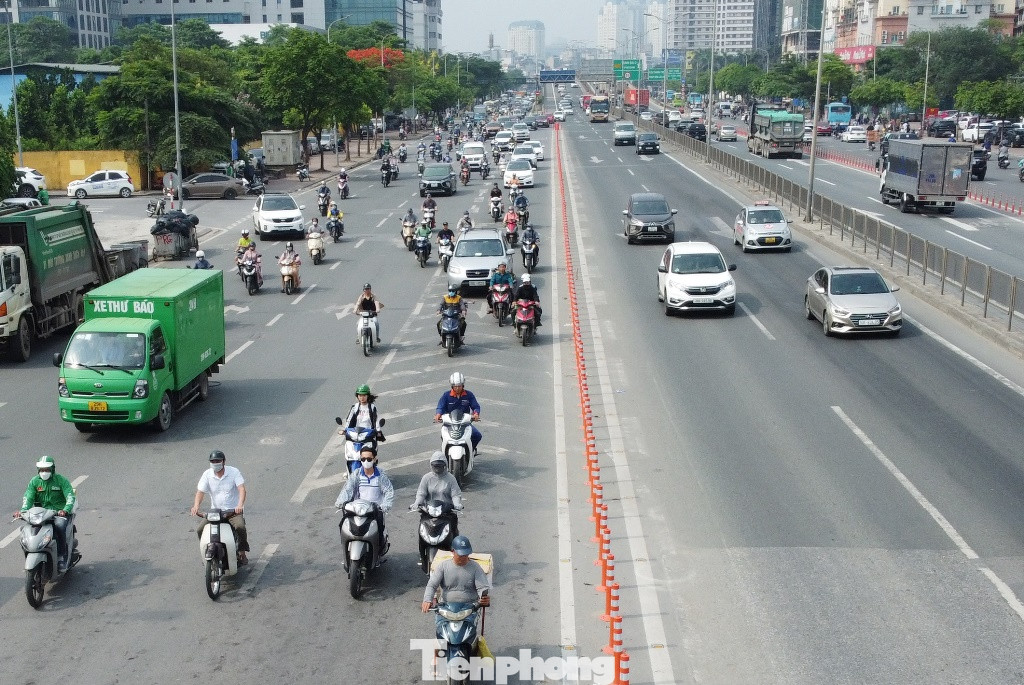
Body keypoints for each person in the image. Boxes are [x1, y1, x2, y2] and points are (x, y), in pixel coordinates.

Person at [15, 456, 77, 570]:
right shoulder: (34, 481)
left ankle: (62, 556)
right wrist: (23, 511)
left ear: (52, 469)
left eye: (47, 470)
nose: (44, 472)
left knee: (59, 526)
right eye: (42, 470)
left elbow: (70, 497)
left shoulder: (61, 480)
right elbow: (28, 498)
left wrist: (65, 510)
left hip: (58, 514)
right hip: (40, 515)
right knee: (25, 530)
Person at [190, 450, 249, 565]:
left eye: (218, 461)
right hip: (215, 512)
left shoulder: (233, 472)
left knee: (240, 527)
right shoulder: (207, 474)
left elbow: (241, 489)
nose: (215, 463)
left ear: (223, 461)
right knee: (200, 529)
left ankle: (242, 552)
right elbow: (200, 492)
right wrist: (196, 506)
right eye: (213, 461)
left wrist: (239, 505)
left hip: (233, 511)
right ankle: (205, 553)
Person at [335, 445, 394, 555]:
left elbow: (389, 492)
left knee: (379, 529)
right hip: (357, 509)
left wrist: (385, 506)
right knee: (342, 524)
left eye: (369, 459)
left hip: (374, 511)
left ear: (375, 459)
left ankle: (379, 550)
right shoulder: (356, 474)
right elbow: (348, 489)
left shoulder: (381, 476)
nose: (366, 461)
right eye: (363, 459)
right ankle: (346, 550)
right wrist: (341, 502)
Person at [421, 535, 490, 612]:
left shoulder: (475, 567)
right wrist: (427, 600)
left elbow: (482, 588)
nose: (464, 557)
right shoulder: (443, 566)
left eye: (466, 554)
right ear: (453, 551)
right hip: (446, 607)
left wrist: (484, 598)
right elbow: (432, 585)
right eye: (461, 555)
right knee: (441, 624)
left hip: (469, 608)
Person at [434, 371, 481, 456]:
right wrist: (438, 414)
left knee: (477, 435)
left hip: (465, 423)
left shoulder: (469, 395)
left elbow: (476, 406)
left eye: (459, 386)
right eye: (455, 386)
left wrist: (476, 414)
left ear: (463, 385)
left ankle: (471, 451)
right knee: (443, 436)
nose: (457, 388)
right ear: (452, 386)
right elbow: (440, 407)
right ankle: (446, 452)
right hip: (449, 423)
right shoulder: (446, 395)